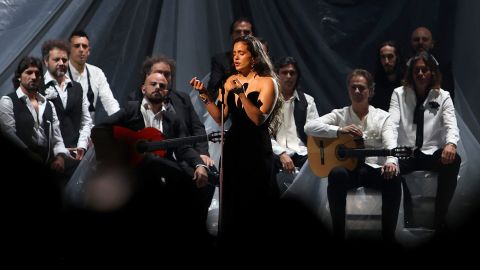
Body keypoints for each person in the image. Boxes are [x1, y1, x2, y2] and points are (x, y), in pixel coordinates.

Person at [92, 71, 211, 246]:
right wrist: (115, 157)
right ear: (143, 88)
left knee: (203, 181)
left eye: (162, 86)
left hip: (162, 169)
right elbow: (99, 130)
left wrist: (200, 164)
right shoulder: (131, 109)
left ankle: (194, 239)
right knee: (151, 161)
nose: (157, 88)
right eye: (153, 84)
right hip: (133, 168)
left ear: (167, 92)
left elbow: (184, 147)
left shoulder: (173, 119)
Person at [190, 35, 282, 245]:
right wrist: (204, 94)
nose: (236, 58)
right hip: (233, 147)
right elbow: (220, 117)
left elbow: (258, 118)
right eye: (234, 54)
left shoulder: (268, 82)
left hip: (257, 148)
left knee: (256, 200)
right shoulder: (230, 80)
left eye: (242, 53)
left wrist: (241, 93)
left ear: (255, 57)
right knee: (232, 200)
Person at [304, 69, 401, 242]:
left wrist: (392, 160)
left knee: (393, 178)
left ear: (370, 91)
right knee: (336, 174)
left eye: (362, 88)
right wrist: (339, 130)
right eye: (353, 88)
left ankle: (388, 238)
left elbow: (391, 144)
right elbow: (309, 127)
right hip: (349, 172)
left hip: (373, 169)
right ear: (348, 90)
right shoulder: (339, 114)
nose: (357, 91)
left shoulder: (382, 117)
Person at [389, 51, 460, 233]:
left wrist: (451, 144)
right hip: (406, 151)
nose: (420, 74)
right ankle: (406, 218)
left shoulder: (442, 96)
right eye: (416, 70)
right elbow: (391, 124)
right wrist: (391, 156)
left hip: (430, 151)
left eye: (424, 70)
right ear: (411, 73)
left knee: (454, 161)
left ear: (432, 72)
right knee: (391, 168)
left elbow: (451, 124)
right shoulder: (399, 94)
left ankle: (439, 220)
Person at [0, 56, 76, 183]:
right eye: (29, 72)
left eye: (37, 73)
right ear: (19, 76)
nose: (34, 77)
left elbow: (57, 138)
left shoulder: (48, 105)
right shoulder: (8, 102)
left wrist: (60, 157)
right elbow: (8, 133)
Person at [41, 39, 93, 161]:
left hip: (76, 155)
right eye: (56, 59)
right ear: (46, 62)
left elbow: (86, 121)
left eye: (64, 60)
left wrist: (81, 146)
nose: (61, 63)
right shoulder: (38, 87)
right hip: (50, 157)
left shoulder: (77, 88)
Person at [271, 56, 318, 176]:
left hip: (302, 152)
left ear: (297, 76)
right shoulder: (268, 101)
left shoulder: (307, 101)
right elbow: (264, 134)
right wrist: (281, 153)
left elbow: (314, 131)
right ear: (277, 75)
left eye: (292, 73)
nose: (288, 77)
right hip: (274, 152)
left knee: (318, 164)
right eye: (284, 72)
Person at [68, 30, 120, 123]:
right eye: (76, 46)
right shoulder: (60, 72)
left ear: (89, 51)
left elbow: (109, 102)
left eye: (84, 46)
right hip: (63, 133)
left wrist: (121, 121)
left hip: (89, 132)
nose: (81, 50)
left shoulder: (97, 73)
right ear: (68, 50)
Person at [206, 17, 254, 100]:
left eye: (246, 32)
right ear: (232, 34)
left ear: (252, 34)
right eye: (238, 32)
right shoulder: (221, 60)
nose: (242, 35)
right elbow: (213, 90)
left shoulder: (260, 58)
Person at [410, 26, 455, 102]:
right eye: (416, 40)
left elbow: (449, 98)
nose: (420, 42)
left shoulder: (444, 68)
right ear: (411, 43)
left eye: (425, 39)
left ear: (432, 44)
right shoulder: (402, 67)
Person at [371, 41, 405, 112]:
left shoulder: (408, 81)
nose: (386, 61)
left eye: (390, 57)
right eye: (383, 57)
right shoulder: (374, 83)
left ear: (397, 57)